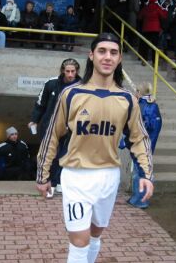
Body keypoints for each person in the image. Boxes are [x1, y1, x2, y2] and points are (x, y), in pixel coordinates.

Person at [36, 33, 154, 262]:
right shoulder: (71, 94)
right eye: (102, 51)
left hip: (109, 176)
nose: (107, 57)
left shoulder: (128, 99)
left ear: (119, 58)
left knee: (95, 234)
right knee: (79, 240)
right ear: (91, 55)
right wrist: (43, 173)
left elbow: (139, 139)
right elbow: (52, 135)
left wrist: (147, 173)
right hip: (76, 176)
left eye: (113, 52)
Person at [28, 58, 81, 197]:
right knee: (48, 155)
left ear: (77, 71)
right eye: (67, 71)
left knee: (64, 155)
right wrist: (34, 120)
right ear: (63, 70)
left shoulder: (83, 86)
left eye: (73, 71)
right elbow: (40, 103)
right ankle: (48, 183)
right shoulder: (51, 84)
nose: (70, 74)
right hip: (49, 126)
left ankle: (59, 182)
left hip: (72, 128)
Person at [126, 82, 162, 209]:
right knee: (141, 169)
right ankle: (139, 197)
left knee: (140, 170)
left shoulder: (142, 105)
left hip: (141, 143)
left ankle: (141, 199)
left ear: (139, 92)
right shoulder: (153, 105)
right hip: (148, 142)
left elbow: (138, 126)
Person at [138, 0, 167, 64]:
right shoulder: (158, 7)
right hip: (155, 30)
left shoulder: (145, 8)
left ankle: (144, 61)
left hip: (146, 29)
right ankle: (154, 62)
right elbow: (163, 16)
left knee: (145, 46)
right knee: (155, 46)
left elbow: (139, 17)